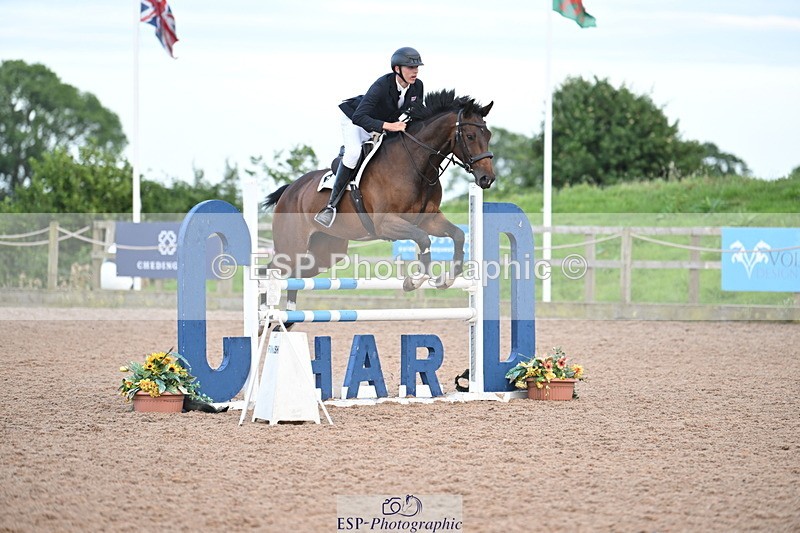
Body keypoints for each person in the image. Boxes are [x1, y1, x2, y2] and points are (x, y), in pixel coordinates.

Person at [314, 46, 425, 227]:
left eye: (417, 67)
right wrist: (390, 126)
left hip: (381, 122)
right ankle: (331, 206)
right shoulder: (382, 85)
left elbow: (416, 113)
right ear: (397, 69)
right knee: (353, 154)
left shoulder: (417, 86)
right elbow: (359, 117)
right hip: (355, 120)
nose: (415, 71)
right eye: (410, 67)